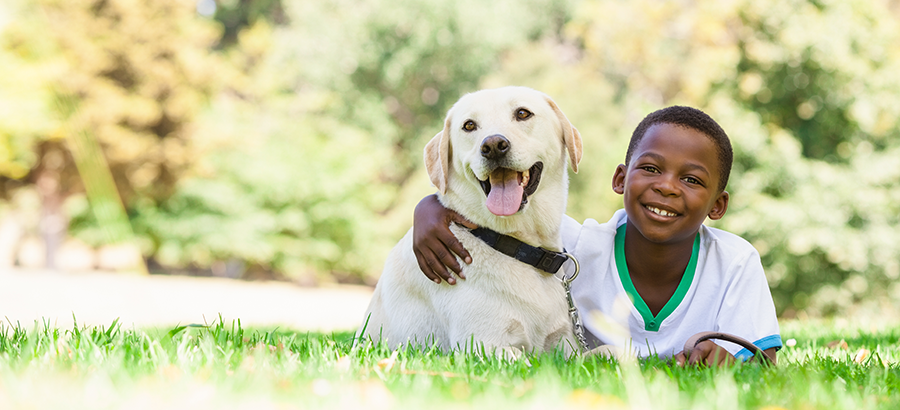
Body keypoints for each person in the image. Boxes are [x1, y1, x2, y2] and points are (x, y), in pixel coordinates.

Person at [411, 106, 781, 366]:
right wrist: (429, 208)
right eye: (651, 169)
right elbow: (494, 222)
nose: (667, 187)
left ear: (718, 206)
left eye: (691, 179)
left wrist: (730, 359)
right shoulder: (573, 246)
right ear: (620, 179)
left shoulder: (735, 260)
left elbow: (764, 359)